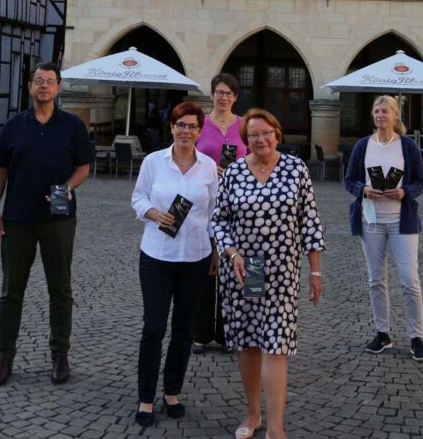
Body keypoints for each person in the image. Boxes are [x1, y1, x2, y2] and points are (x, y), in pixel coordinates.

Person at [211, 109, 324, 439]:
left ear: (277, 133)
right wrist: (231, 252)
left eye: (266, 133)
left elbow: (310, 221)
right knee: (249, 343)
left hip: (283, 269)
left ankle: (276, 426)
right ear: (245, 141)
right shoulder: (233, 173)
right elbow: (219, 220)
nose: (260, 139)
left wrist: (315, 270)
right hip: (248, 269)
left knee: (276, 344)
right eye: (253, 135)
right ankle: (253, 413)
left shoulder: (295, 168)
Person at [0, 62, 93, 387]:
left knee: (60, 290)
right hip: (17, 218)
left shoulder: (72, 126)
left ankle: (60, 355)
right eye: (38, 81)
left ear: (58, 88)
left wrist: (67, 188)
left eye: (49, 82)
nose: (43, 86)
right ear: (30, 87)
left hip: (58, 220)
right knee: (10, 292)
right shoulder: (14, 126)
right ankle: (4, 357)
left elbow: (84, 166)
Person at [131, 101, 219, 427]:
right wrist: (153, 213)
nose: (186, 131)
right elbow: (138, 198)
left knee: (183, 330)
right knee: (153, 327)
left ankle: (171, 392)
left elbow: (214, 215)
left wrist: (215, 251)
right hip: (157, 255)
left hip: (195, 257)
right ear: (172, 128)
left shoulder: (209, 168)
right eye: (180, 125)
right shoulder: (155, 162)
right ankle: (145, 397)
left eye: (192, 126)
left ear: (199, 131)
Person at [344, 95, 423, 360]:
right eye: (377, 111)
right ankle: (382, 333)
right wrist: (364, 189)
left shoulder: (407, 146)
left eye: (386, 111)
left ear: (396, 115)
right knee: (376, 279)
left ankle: (416, 337)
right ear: (373, 116)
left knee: (409, 279)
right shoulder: (362, 146)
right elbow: (350, 181)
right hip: (371, 219)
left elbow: (421, 182)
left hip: (400, 220)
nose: (381, 115)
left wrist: (404, 192)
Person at [192, 73, 248, 356]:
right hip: (204, 204)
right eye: (219, 92)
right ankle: (200, 333)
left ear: (235, 97)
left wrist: (237, 171)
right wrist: (207, 169)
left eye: (229, 93)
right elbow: (188, 157)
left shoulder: (244, 126)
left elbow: (253, 159)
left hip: (238, 206)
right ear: (211, 94)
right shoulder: (199, 124)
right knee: (204, 267)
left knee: (233, 268)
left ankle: (229, 332)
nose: (223, 97)